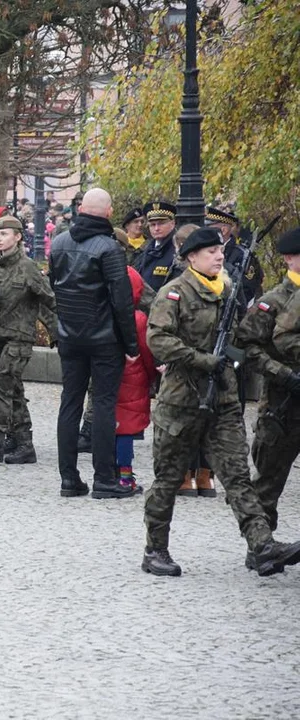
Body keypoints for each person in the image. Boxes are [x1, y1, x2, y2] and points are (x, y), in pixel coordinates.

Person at [143, 226, 300, 577]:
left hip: (223, 400)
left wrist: (231, 358)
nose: (218, 256)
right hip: (181, 401)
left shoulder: (226, 292)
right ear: (192, 257)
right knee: (168, 479)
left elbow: (238, 343)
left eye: (220, 250)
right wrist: (202, 360)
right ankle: (155, 550)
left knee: (237, 476)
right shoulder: (174, 293)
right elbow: (159, 341)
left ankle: (262, 546)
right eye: (211, 251)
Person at [48, 188, 139, 498]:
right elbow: (122, 301)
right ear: (109, 212)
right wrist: (131, 346)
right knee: (103, 404)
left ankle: (68, 479)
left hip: (70, 336)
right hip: (104, 340)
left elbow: (54, 289)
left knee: (69, 402)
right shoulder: (110, 249)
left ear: (81, 208)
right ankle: (104, 479)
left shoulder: (58, 243)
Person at [0, 215, 55, 464]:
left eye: (4, 234)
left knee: (2, 386)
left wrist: (57, 333)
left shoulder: (27, 268)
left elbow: (48, 301)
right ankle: (24, 444)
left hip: (19, 338)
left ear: (18, 238)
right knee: (13, 390)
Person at [236, 227, 300, 536]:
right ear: (289, 259)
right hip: (282, 404)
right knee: (268, 481)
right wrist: (282, 374)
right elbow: (246, 347)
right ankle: (261, 544)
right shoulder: (272, 301)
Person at [114, 267, 157, 494]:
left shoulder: (103, 313)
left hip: (110, 377)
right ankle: (125, 475)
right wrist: (153, 377)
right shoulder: (139, 319)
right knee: (126, 430)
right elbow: (147, 352)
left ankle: (108, 470)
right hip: (134, 377)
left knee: (111, 425)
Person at [133, 201, 177, 293]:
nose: (156, 228)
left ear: (172, 224)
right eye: (152, 224)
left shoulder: (178, 249)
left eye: (161, 223)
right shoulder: (146, 248)